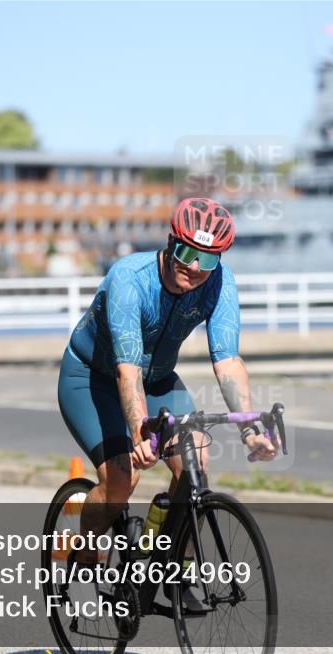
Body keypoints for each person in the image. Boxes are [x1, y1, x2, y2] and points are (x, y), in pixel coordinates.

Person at [58, 197, 278, 565]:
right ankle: (84, 549)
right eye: (185, 251)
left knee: (196, 468)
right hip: (91, 378)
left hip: (157, 380)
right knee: (121, 481)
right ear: (169, 240)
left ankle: (176, 561)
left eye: (207, 259)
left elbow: (228, 363)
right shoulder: (130, 278)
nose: (193, 266)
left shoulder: (219, 285)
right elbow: (127, 370)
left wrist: (250, 428)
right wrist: (141, 433)